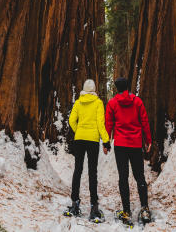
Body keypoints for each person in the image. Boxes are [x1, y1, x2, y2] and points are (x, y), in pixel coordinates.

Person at [105, 76, 153, 225]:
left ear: (117, 88)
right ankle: (145, 209)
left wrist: (106, 143)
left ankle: (126, 211)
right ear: (128, 87)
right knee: (140, 176)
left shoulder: (112, 103)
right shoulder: (137, 102)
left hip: (120, 145)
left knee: (123, 177)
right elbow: (144, 121)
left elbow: (108, 123)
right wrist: (148, 140)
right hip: (135, 144)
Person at [64, 78, 110, 222]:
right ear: (94, 89)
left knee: (77, 170)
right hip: (93, 140)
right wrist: (106, 140)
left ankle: (74, 204)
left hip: (79, 139)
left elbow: (71, 120)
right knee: (92, 172)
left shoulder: (78, 102)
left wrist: (79, 131)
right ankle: (94, 207)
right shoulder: (98, 103)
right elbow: (100, 124)